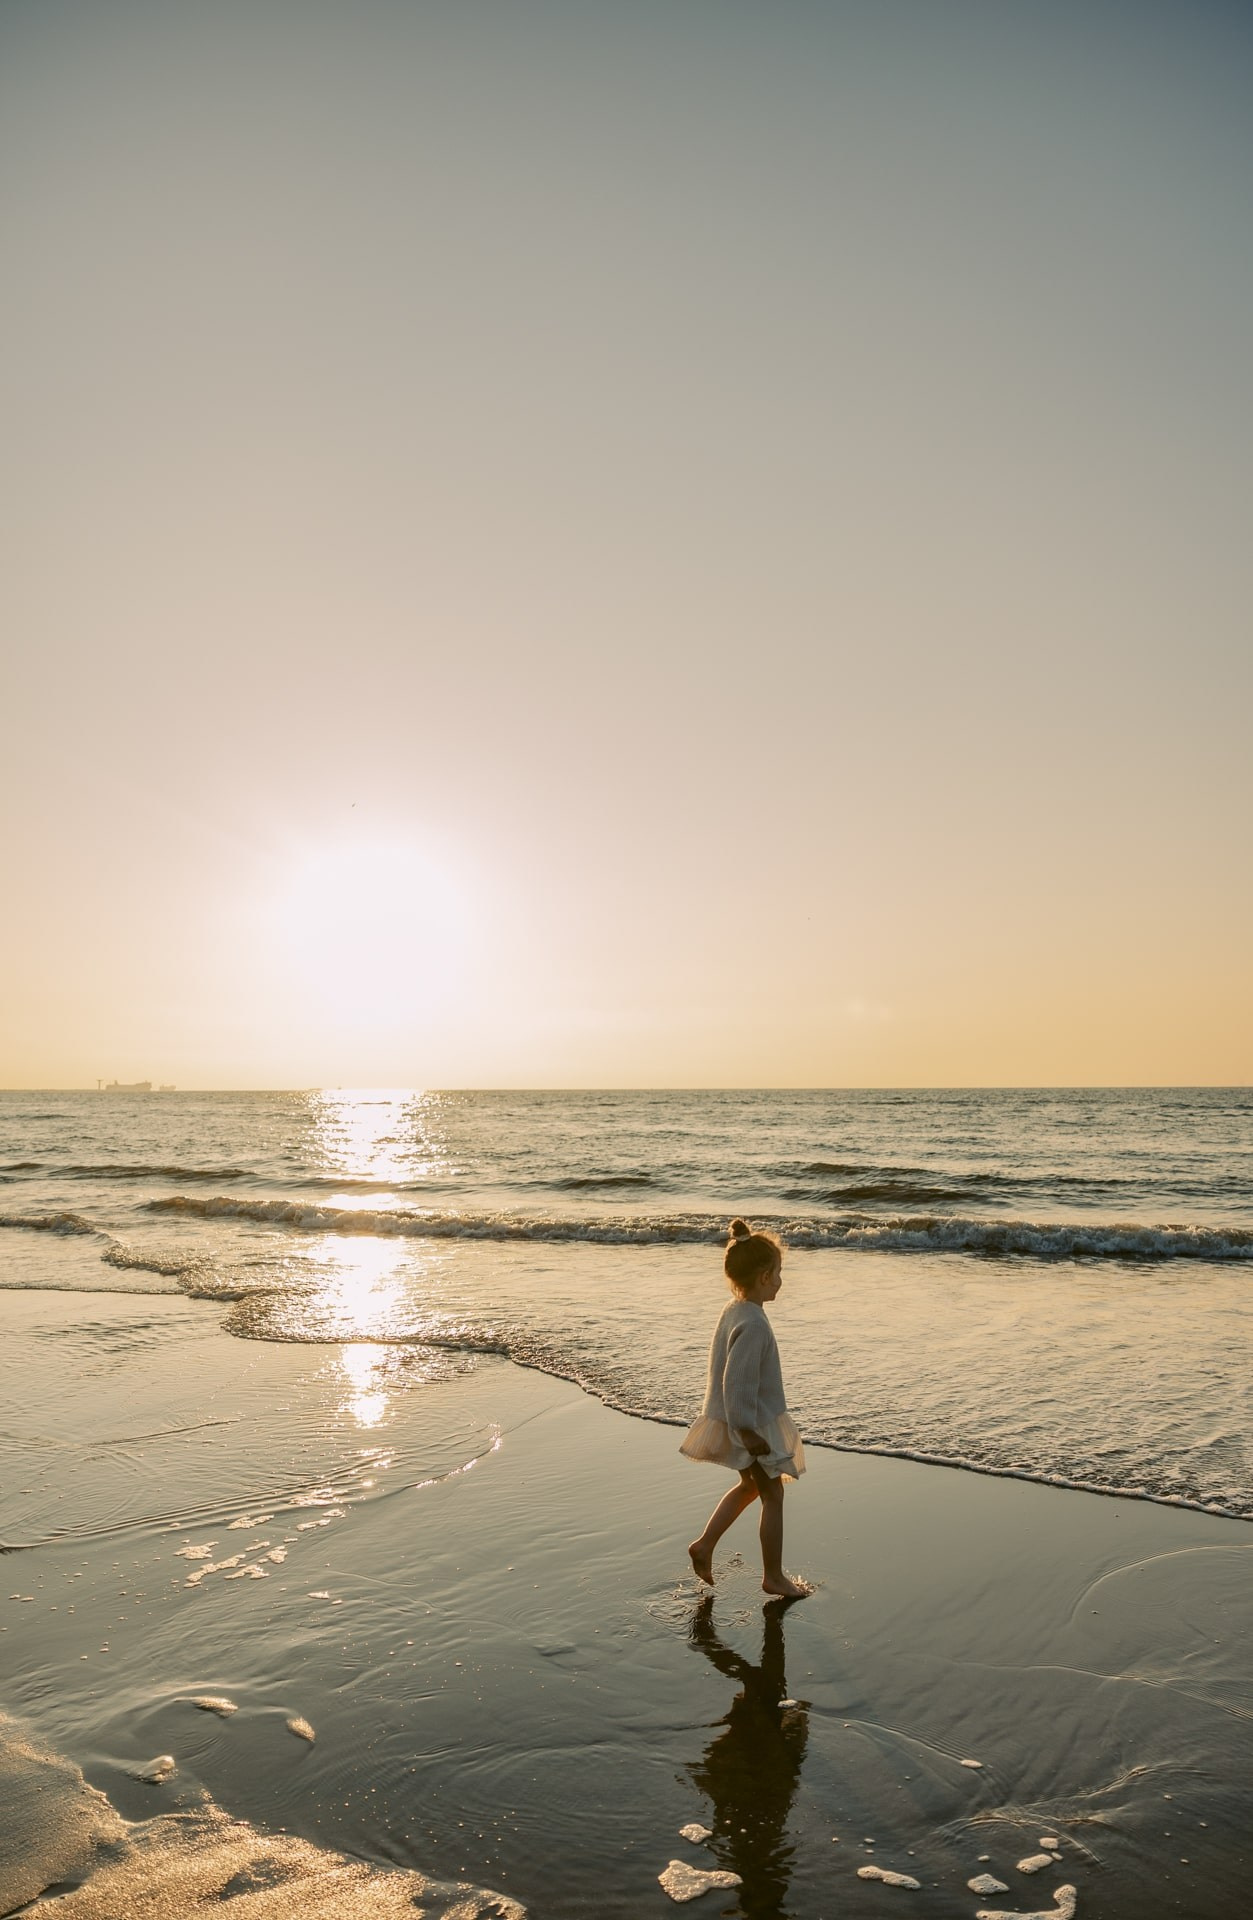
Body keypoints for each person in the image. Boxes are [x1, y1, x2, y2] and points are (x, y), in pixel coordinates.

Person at [681, 1219, 809, 1599]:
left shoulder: (735, 1309)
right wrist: (747, 1430)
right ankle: (773, 1576)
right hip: (751, 1423)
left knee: (751, 1486)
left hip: (745, 1419)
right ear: (764, 1276)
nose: (782, 1281)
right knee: (772, 1496)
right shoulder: (754, 1324)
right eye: (779, 1273)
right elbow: (735, 1383)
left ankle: (703, 1546)